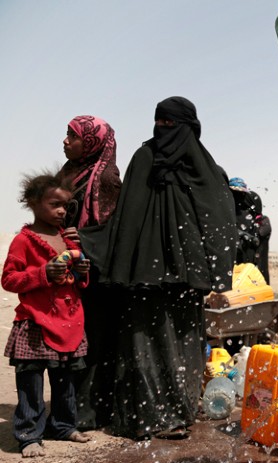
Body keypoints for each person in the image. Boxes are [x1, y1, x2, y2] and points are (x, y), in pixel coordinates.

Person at [79, 96, 238, 440]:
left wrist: (212, 269)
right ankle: (151, 416)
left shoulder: (205, 169)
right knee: (144, 342)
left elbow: (219, 220)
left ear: (190, 128)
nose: (163, 131)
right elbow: (127, 217)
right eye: (159, 123)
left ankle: (179, 409)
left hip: (187, 277)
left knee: (183, 343)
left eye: (171, 125)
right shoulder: (144, 158)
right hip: (145, 278)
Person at [2, 172, 92, 457]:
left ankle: (63, 425)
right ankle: (29, 435)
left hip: (69, 320)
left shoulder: (68, 239)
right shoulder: (23, 241)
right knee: (31, 381)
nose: (62, 211)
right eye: (55, 204)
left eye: (66, 205)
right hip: (35, 321)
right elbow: (9, 280)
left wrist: (81, 274)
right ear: (32, 202)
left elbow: (78, 281)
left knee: (65, 378)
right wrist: (42, 274)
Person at [58, 115, 122, 430]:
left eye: (73, 136)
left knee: (93, 342)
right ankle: (67, 408)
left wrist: (79, 240)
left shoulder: (106, 179)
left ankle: (89, 411)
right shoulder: (67, 173)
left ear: (91, 142)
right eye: (66, 135)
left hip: (96, 275)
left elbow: (112, 232)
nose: (65, 141)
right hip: (64, 268)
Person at [229, 177, 272, 283]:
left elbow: (260, 236)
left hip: (252, 269)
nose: (238, 198)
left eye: (241, 195)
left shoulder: (261, 221)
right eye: (234, 194)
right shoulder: (230, 215)